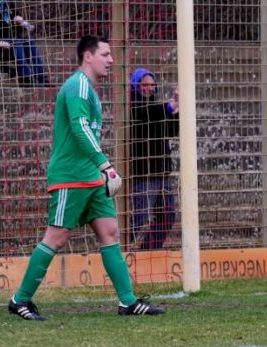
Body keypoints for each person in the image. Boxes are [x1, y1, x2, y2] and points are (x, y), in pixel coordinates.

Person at [8, 35, 165, 321]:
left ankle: (128, 301)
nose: (111, 60)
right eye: (105, 54)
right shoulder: (77, 86)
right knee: (56, 238)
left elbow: (88, 134)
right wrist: (106, 166)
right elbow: (80, 129)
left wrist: (101, 170)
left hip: (92, 177)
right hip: (71, 177)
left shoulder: (90, 90)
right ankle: (20, 300)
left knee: (110, 233)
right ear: (88, 56)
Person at [129, 67, 179, 250]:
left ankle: (146, 251)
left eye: (152, 85)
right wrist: (169, 106)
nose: (149, 88)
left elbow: (172, 131)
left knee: (167, 216)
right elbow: (148, 112)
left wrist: (176, 111)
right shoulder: (134, 108)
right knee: (137, 220)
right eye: (144, 85)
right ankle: (118, 251)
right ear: (136, 86)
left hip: (161, 172)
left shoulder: (158, 109)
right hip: (144, 174)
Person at [0, 0, 48, 86]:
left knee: (29, 41)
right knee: (16, 43)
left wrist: (19, 23)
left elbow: (14, 33)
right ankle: (26, 78)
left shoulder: (8, 4)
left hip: (7, 43)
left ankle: (41, 77)